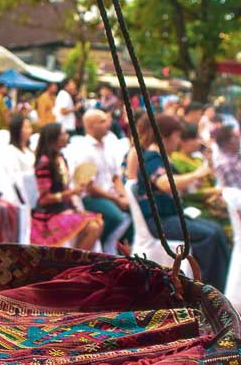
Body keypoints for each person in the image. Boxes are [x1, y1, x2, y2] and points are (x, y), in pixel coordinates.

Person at [135, 113, 230, 291]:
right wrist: (195, 175)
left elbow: (176, 184)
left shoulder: (162, 157)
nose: (179, 141)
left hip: (170, 217)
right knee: (209, 236)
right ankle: (206, 290)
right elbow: (163, 183)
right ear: (165, 136)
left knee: (216, 230)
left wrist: (191, 182)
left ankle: (218, 288)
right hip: (160, 222)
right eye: (177, 136)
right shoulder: (151, 158)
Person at [30, 122, 104, 249]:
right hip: (49, 215)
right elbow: (44, 199)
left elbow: (65, 188)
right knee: (93, 227)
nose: (67, 136)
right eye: (63, 134)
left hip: (63, 209)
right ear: (54, 138)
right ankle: (76, 265)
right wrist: (72, 193)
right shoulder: (44, 163)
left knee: (98, 223)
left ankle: (79, 264)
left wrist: (74, 205)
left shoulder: (60, 158)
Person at [170, 123, 231, 240]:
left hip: (208, 199)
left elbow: (212, 181)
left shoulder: (197, 158)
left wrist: (209, 160)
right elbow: (188, 193)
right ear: (183, 141)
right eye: (195, 138)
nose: (199, 142)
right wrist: (215, 191)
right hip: (194, 203)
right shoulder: (176, 160)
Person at [80, 109, 130, 249]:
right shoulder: (84, 149)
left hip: (109, 194)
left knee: (135, 209)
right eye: (102, 121)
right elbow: (90, 187)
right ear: (90, 126)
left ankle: (122, 249)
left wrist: (124, 196)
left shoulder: (108, 145)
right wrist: (116, 199)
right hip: (92, 197)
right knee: (116, 217)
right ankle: (100, 245)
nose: (107, 123)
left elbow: (115, 177)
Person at [213, 124, 241, 189]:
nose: (240, 141)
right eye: (237, 138)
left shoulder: (236, 154)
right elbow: (239, 188)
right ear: (226, 143)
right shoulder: (226, 163)